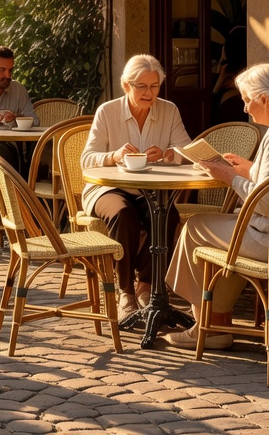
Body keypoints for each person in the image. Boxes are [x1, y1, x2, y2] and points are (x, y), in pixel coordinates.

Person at [163, 63, 269, 349]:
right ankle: (218, 322)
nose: (244, 108)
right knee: (220, 232)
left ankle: (209, 326)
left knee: (194, 227)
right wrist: (248, 169)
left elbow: (265, 201)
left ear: (264, 99)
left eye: (246, 100)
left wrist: (229, 177)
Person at [81, 54, 191, 321]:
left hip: (148, 190)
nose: (149, 93)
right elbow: (86, 160)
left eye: (154, 86)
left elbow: (186, 151)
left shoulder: (169, 110)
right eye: (141, 86)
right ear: (126, 86)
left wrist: (168, 154)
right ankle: (126, 291)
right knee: (124, 214)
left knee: (168, 216)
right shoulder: (107, 111)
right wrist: (114, 156)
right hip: (107, 189)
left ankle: (148, 285)